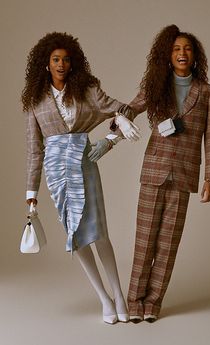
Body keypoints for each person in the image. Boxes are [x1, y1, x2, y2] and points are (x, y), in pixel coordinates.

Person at [22, 32, 140, 324]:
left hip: (85, 163)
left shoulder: (87, 89)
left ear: (72, 63)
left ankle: (120, 296)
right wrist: (30, 192)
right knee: (77, 236)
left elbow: (122, 109)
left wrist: (117, 126)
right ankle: (104, 298)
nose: (61, 64)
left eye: (65, 59)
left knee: (98, 232)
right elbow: (35, 150)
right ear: (46, 64)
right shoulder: (35, 101)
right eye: (55, 59)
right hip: (56, 171)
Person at [104, 24, 210, 323]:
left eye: (188, 49)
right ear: (168, 55)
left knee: (168, 244)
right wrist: (119, 121)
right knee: (145, 240)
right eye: (177, 49)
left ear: (195, 57)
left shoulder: (207, 92)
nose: (182, 53)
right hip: (154, 170)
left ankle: (153, 304)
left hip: (184, 174)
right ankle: (134, 302)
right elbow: (131, 108)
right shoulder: (156, 86)